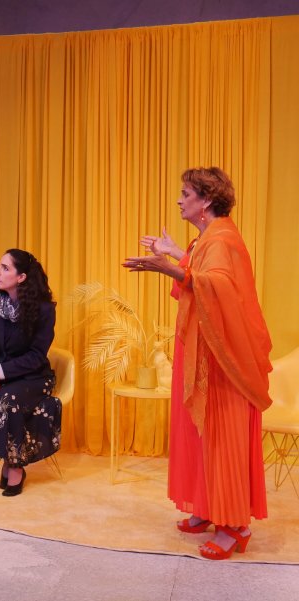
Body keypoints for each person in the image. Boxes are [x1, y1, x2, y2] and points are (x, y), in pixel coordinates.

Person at [123, 167, 272, 560]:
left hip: (223, 360)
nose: (179, 200)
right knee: (200, 431)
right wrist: (177, 254)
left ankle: (234, 526)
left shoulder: (222, 238)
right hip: (203, 352)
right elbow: (202, 271)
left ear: (205, 200)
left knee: (221, 436)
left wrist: (168, 267)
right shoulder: (210, 237)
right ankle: (208, 507)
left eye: (186, 193)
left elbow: (218, 286)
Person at [0, 249, 62, 496]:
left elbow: (36, 356)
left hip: (33, 377)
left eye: (5, 268)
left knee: (7, 401)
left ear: (21, 277)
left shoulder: (44, 309)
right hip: (0, 375)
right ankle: (9, 461)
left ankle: (14, 467)